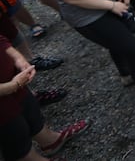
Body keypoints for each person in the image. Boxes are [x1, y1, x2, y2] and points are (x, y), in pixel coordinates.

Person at [0, 32, 89, 160]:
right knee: (14, 135)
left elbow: (1, 41)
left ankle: (50, 140)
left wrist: (19, 60)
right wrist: (14, 85)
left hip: (14, 83)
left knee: (29, 109)